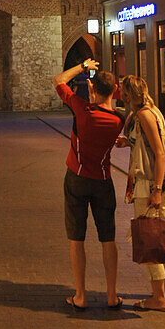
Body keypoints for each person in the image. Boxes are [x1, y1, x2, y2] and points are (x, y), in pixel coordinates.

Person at [53, 57, 125, 311]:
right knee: (108, 238)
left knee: (77, 239)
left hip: (77, 178)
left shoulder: (82, 110)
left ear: (92, 89)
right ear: (114, 92)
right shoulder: (118, 121)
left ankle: (81, 295)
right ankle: (112, 295)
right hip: (104, 181)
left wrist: (84, 67)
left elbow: (59, 81)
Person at [118, 75, 165, 312]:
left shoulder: (144, 115)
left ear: (128, 95)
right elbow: (149, 146)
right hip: (156, 181)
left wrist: (156, 190)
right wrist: (129, 143)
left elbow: (160, 153)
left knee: (148, 237)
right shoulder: (151, 110)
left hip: (149, 183)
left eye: (123, 93)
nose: (121, 97)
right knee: (160, 233)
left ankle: (158, 297)